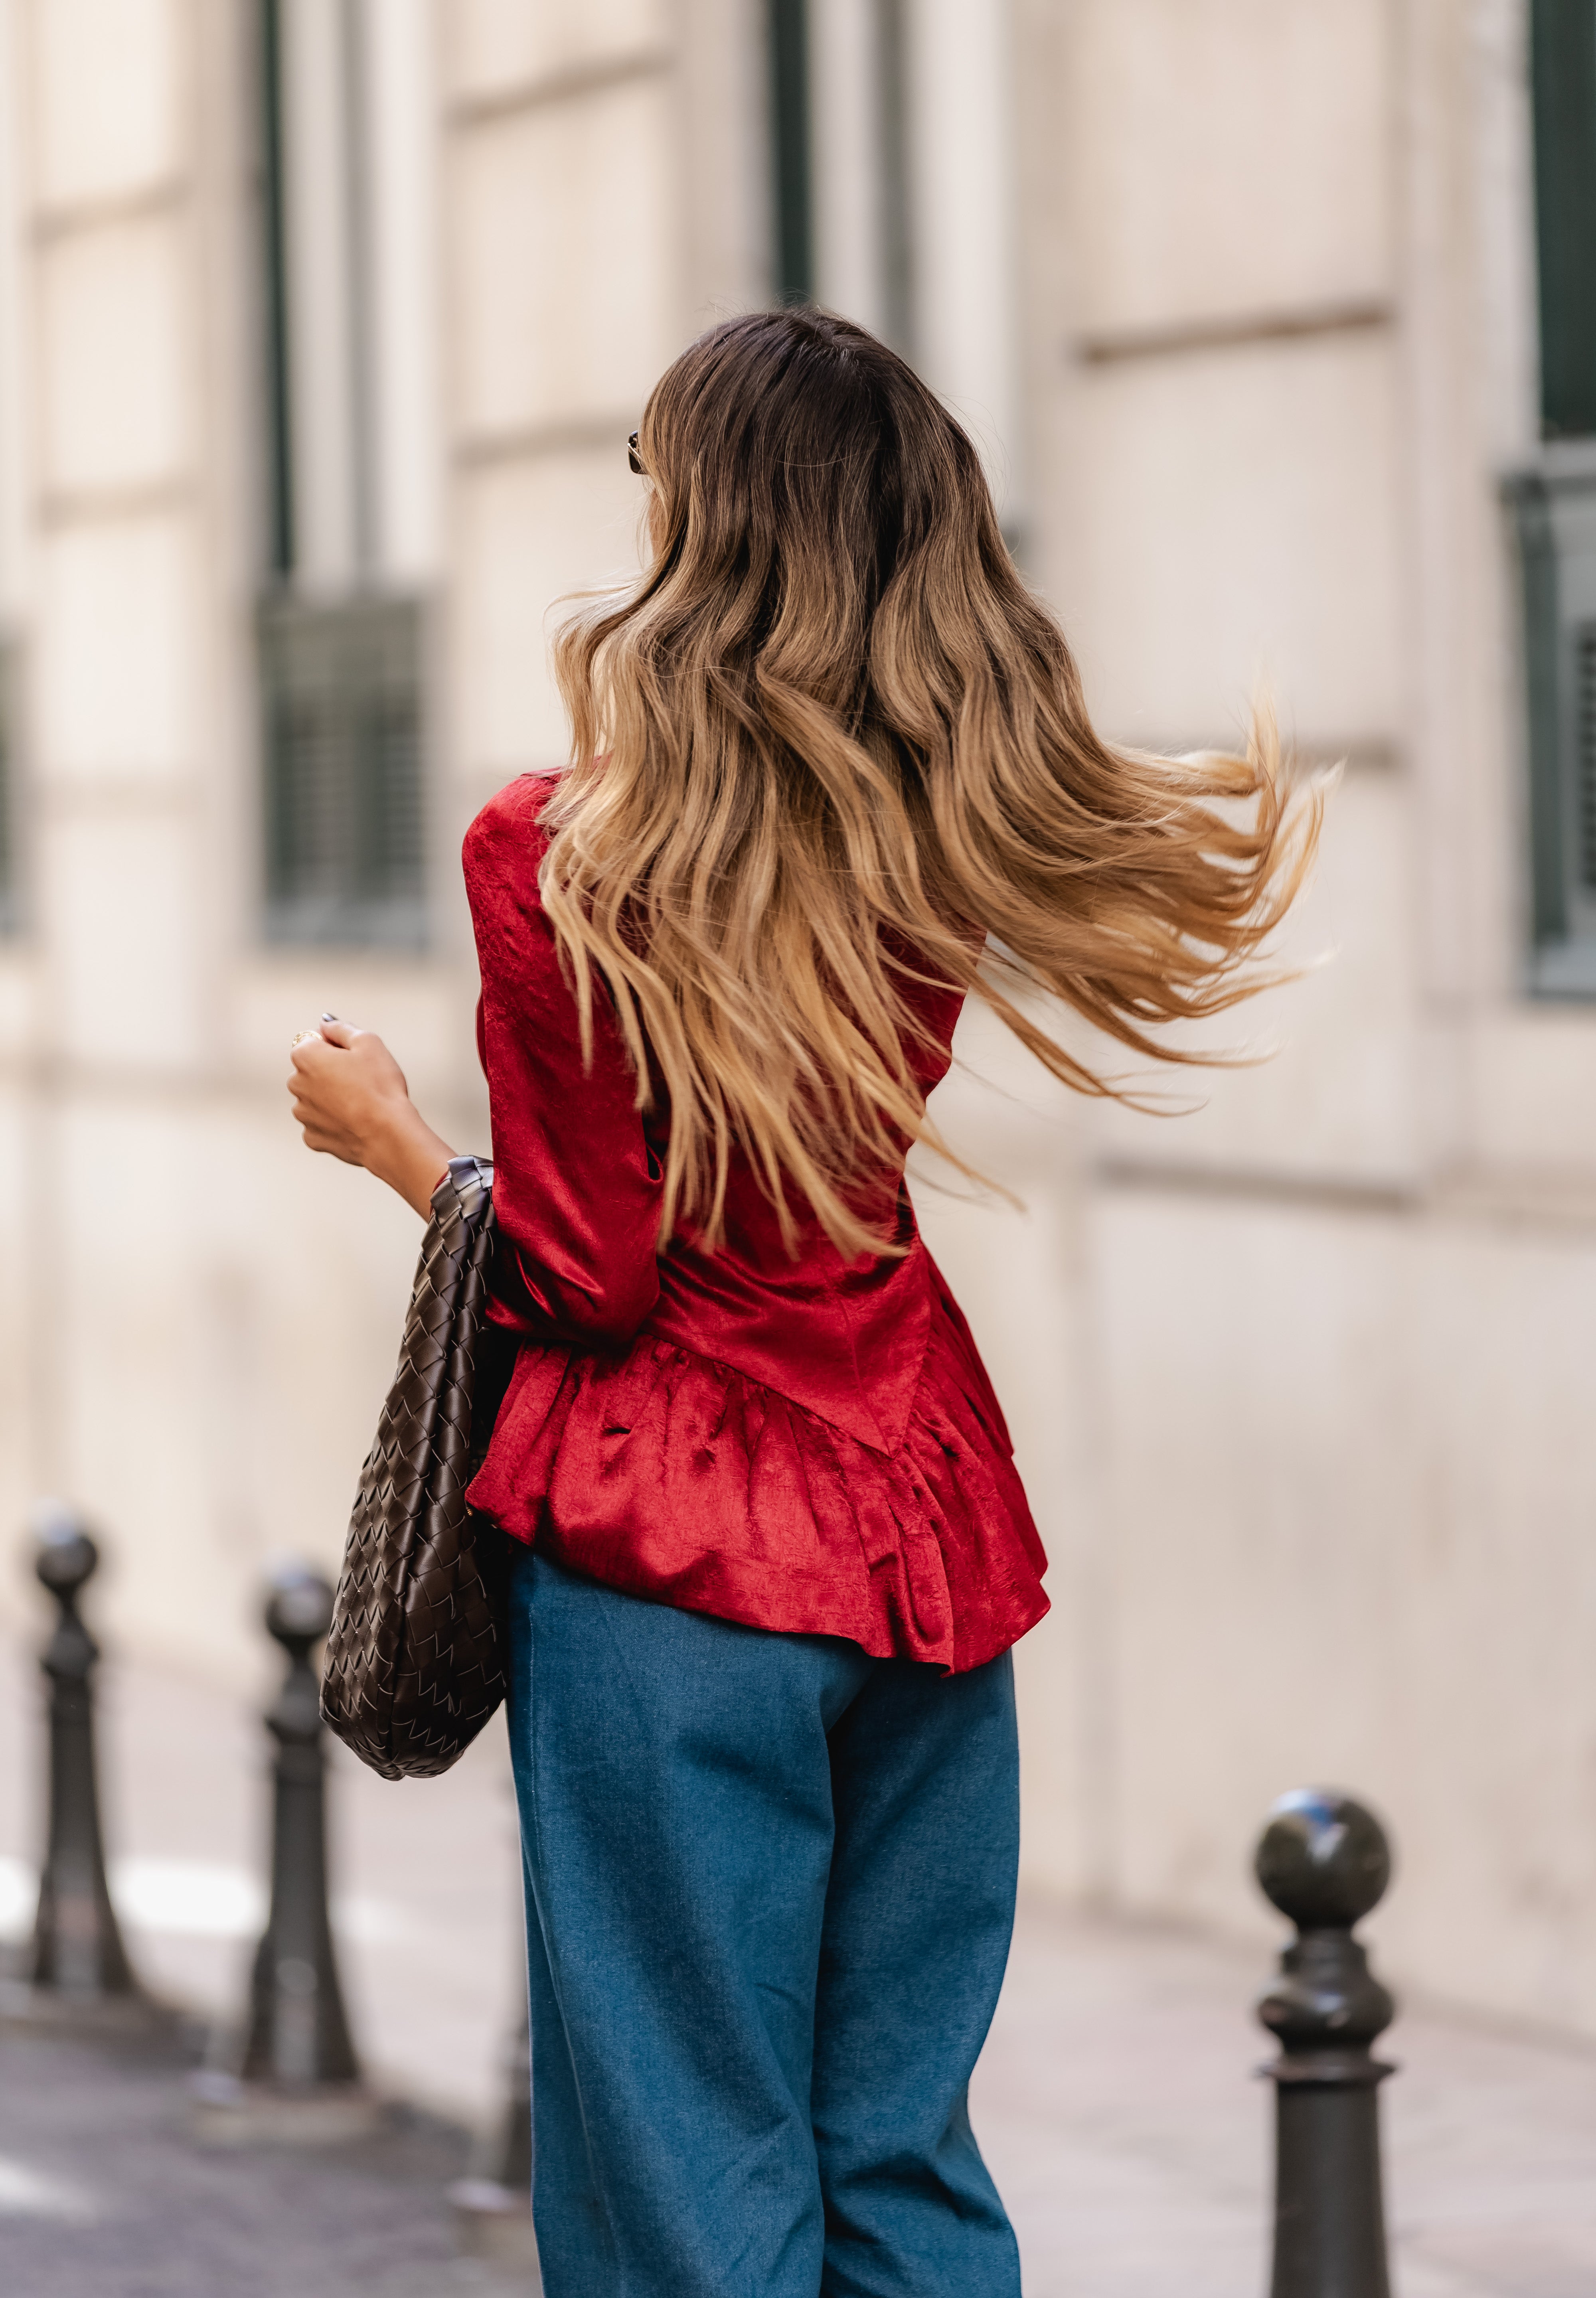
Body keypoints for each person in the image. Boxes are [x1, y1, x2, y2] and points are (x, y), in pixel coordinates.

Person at [288, 308, 1316, 2298]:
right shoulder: (927, 829)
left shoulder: (562, 853)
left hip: (672, 1566)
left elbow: (588, 1276)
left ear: (712, 530)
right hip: (921, 1525)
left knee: (688, 2184)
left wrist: (399, 1147)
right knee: (901, 2162)